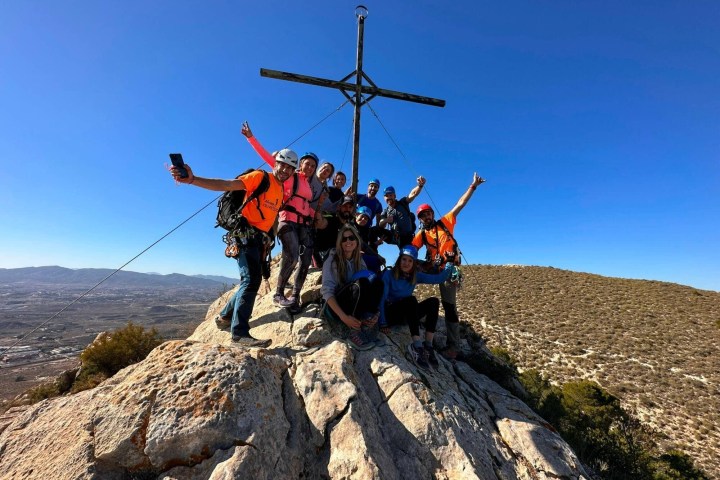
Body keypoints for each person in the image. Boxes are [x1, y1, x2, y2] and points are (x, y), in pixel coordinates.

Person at [169, 153, 296, 346]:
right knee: (251, 281)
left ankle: (225, 317)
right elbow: (228, 184)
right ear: (275, 164)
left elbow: (272, 217)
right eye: (283, 165)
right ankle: (239, 334)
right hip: (245, 234)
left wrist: (270, 238)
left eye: (290, 168)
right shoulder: (260, 177)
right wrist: (193, 180)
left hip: (259, 240)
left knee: (251, 280)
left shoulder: (280, 189)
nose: (285, 170)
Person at [241, 122, 318, 310]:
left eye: (312, 166)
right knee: (291, 256)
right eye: (306, 164)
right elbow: (268, 158)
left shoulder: (308, 184)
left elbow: (306, 205)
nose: (309, 167)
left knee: (306, 259)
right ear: (300, 164)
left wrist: (317, 216)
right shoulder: (290, 174)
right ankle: (278, 293)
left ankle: (295, 296)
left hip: (304, 223)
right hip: (287, 220)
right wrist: (251, 138)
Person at [412, 172, 485, 360]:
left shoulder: (445, 223)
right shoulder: (422, 234)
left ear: (432, 214)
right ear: (420, 219)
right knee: (408, 265)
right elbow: (411, 248)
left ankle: (454, 346)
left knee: (449, 306)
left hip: (448, 269)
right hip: (433, 267)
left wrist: (473, 186)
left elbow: (460, 204)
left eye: (427, 214)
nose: (425, 217)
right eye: (422, 216)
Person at [379, 245, 456, 369]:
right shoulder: (389, 275)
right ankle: (416, 346)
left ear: (414, 263)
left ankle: (428, 345)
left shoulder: (415, 276)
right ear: (399, 260)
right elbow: (381, 299)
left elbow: (439, 278)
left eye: (410, 261)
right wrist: (382, 322)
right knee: (411, 300)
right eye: (404, 259)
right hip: (390, 315)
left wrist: (450, 263)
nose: (406, 263)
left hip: (406, 315)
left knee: (433, 302)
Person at [321, 225, 384, 350]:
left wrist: (375, 312)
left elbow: (369, 286)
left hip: (352, 299)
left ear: (356, 240)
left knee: (377, 283)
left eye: (351, 238)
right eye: (344, 239)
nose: (348, 241)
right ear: (340, 243)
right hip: (336, 307)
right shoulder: (332, 259)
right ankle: (352, 331)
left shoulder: (359, 260)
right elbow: (326, 291)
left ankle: (366, 320)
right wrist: (343, 317)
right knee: (360, 283)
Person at [378, 176, 426, 249]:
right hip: (394, 237)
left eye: (390, 195)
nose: (388, 198)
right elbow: (380, 224)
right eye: (386, 196)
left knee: (405, 254)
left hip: (407, 237)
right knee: (375, 230)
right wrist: (386, 220)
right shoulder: (386, 211)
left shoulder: (403, 203)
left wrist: (420, 186)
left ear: (395, 196)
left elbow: (412, 194)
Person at [313, 195, 355, 267]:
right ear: (339, 207)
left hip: (337, 259)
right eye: (345, 206)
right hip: (322, 258)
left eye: (350, 207)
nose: (347, 209)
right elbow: (319, 223)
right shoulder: (331, 218)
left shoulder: (350, 226)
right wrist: (319, 205)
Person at [353, 206, 385, 273]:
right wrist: (355, 252)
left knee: (376, 261)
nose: (363, 219)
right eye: (362, 216)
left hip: (361, 254)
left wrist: (377, 254)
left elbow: (365, 246)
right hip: (350, 254)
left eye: (366, 218)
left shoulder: (366, 231)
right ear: (356, 215)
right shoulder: (349, 226)